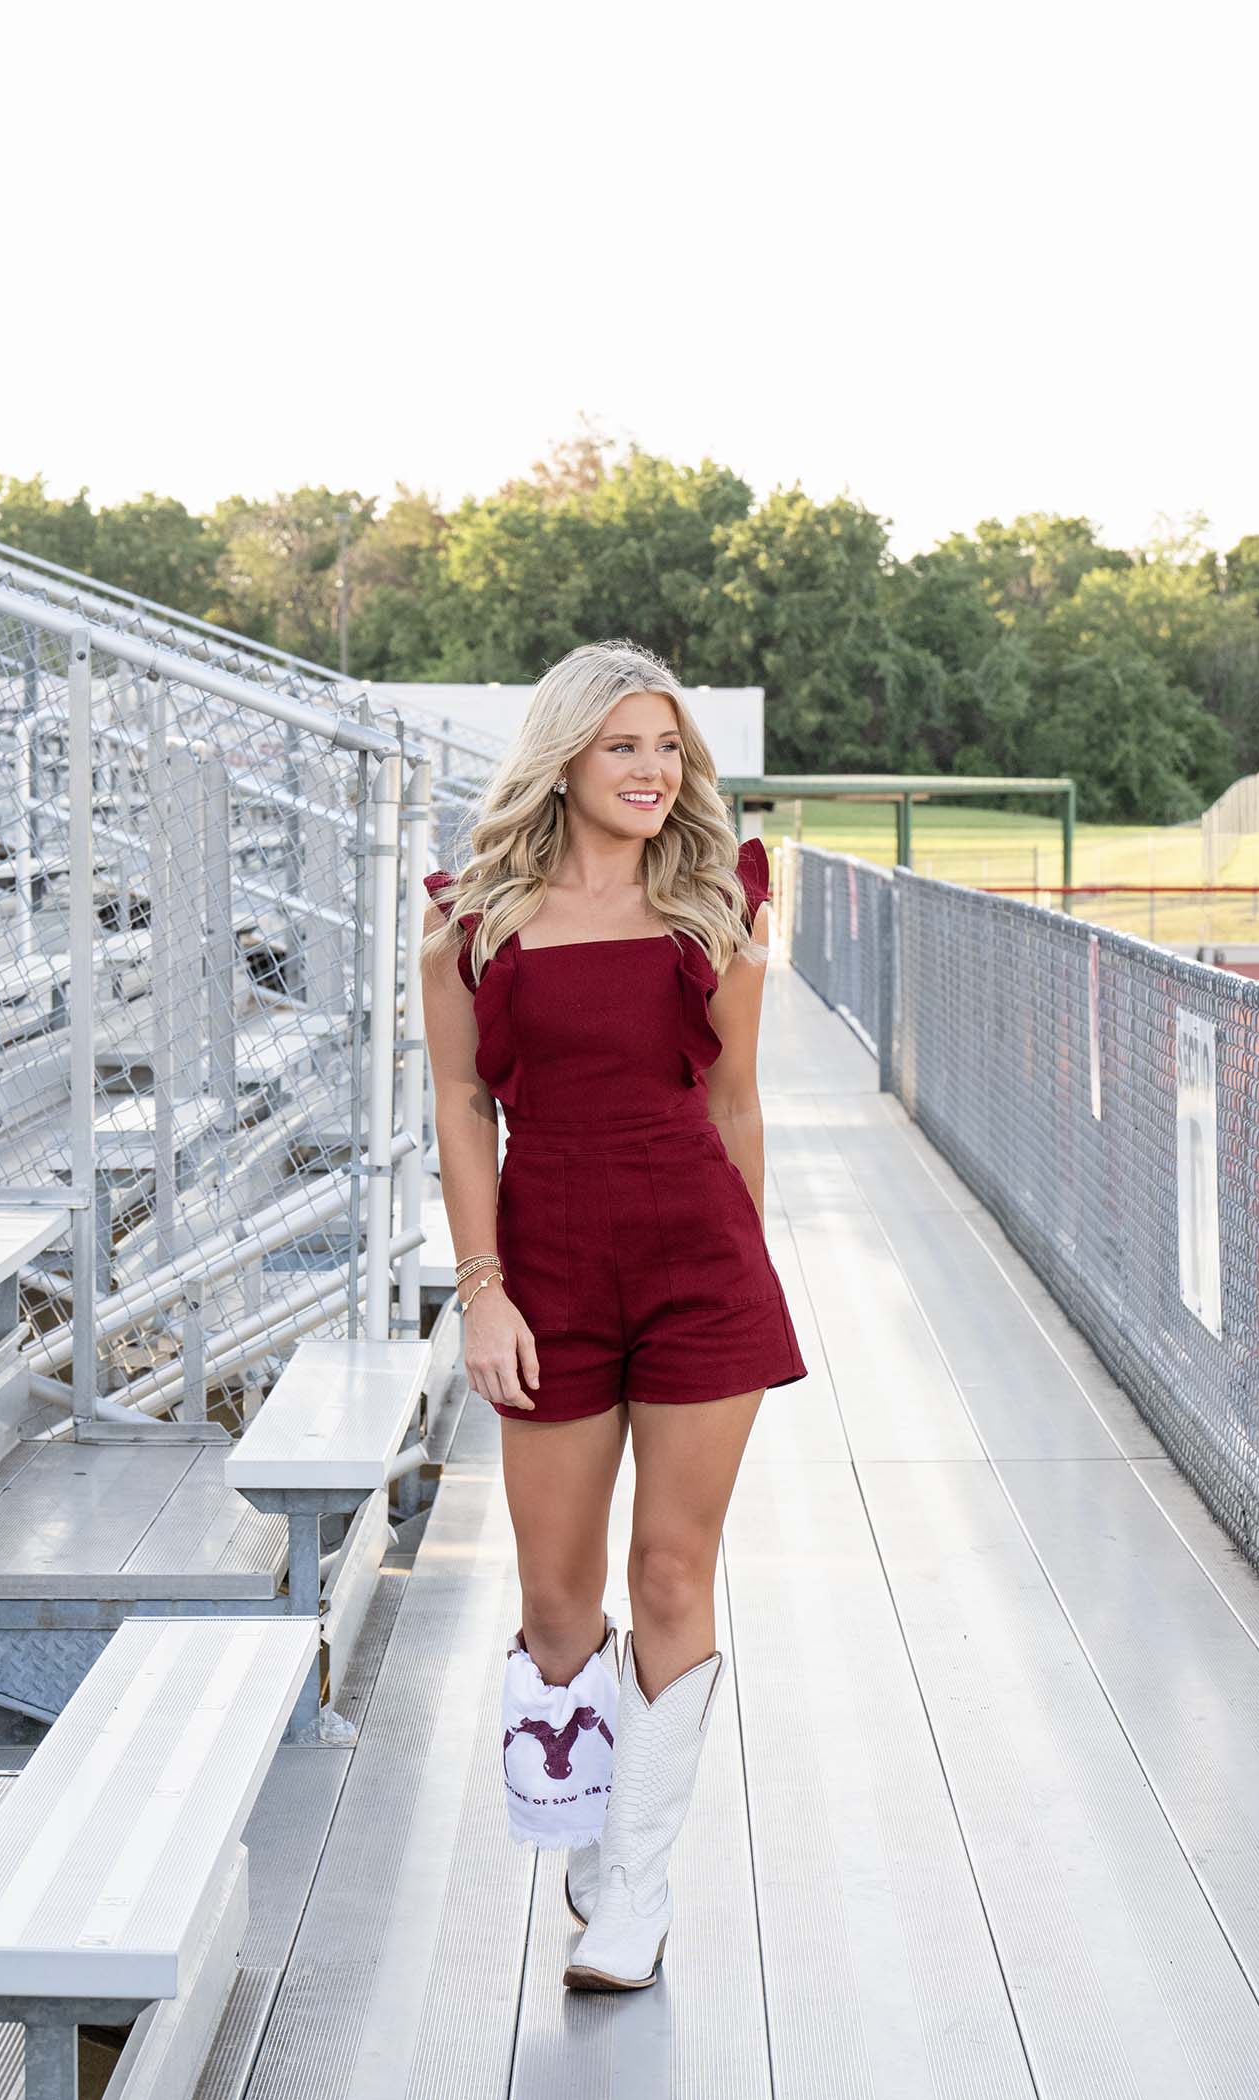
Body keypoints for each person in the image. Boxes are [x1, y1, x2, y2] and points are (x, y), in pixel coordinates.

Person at [420, 639, 807, 1992]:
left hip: (699, 1258)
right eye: (625, 747)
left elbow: (735, 1102)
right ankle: (600, 1826)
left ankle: (636, 1887)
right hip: (551, 1263)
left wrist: (745, 1266)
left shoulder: (718, 907)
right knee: (559, 1602)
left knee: (669, 1574)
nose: (655, 772)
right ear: (564, 758)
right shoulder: (471, 918)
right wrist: (484, 1291)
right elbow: (465, 1110)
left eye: (669, 749)